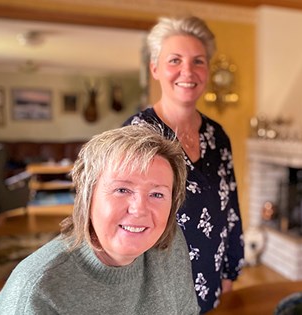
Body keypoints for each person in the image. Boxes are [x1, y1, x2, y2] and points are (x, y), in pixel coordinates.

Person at [0, 125, 200, 314]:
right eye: (122, 189)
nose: (139, 209)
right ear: (88, 198)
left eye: (157, 194)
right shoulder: (40, 289)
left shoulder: (170, 244)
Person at [122, 16, 244, 313]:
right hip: (155, 286)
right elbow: (122, 218)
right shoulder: (137, 135)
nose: (187, 71)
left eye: (198, 61)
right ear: (155, 68)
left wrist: (230, 271)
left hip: (210, 279)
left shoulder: (217, 136)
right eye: (174, 60)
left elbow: (230, 208)